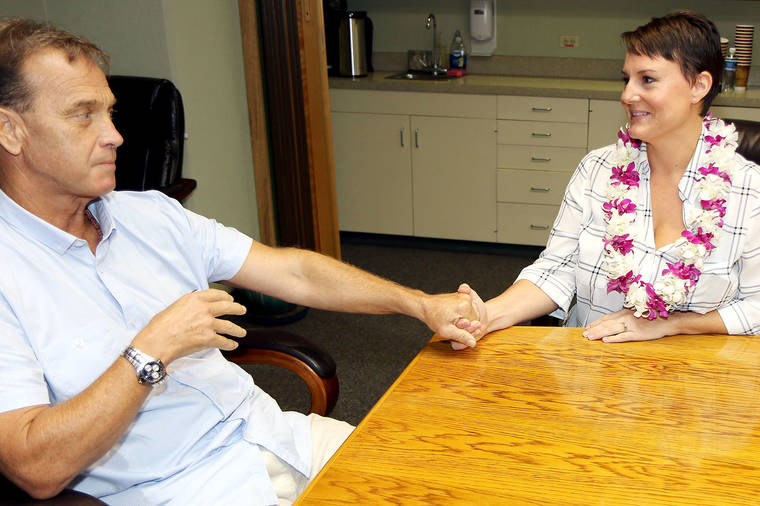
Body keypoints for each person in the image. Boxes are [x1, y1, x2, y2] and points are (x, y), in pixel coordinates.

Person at [0, 18, 481, 504]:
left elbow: (294, 272)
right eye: (83, 115)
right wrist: (152, 349)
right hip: (183, 488)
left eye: (110, 112)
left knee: (463, 480)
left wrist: (419, 303)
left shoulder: (151, 215)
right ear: (10, 131)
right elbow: (35, 466)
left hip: (276, 438)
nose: (114, 135)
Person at [458, 11, 760, 346]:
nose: (627, 95)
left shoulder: (749, 190)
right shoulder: (597, 170)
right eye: (626, 79)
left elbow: (757, 307)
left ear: (698, 86)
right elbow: (557, 269)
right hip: (591, 364)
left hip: (693, 373)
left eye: (647, 79)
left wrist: (674, 324)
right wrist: (485, 316)